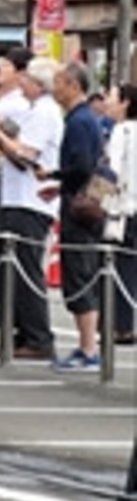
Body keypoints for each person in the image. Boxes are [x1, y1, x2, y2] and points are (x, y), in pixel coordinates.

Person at [0, 56, 60, 361]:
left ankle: (38, 336)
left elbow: (27, 155)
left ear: (38, 85)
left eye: (26, 79)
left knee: (25, 268)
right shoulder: (33, 111)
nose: (21, 83)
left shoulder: (45, 112)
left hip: (31, 200)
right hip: (16, 197)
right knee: (7, 268)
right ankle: (21, 332)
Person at [49, 61, 106, 371]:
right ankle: (87, 346)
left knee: (79, 276)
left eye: (59, 82)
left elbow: (83, 166)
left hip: (79, 210)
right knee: (80, 274)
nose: (54, 87)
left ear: (73, 86)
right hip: (80, 204)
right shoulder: (83, 119)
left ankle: (88, 349)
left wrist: (58, 176)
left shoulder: (79, 122)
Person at [100, 82, 137, 345]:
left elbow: (110, 172)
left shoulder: (121, 131)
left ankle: (119, 325)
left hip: (123, 208)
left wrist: (93, 200)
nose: (107, 102)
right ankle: (126, 323)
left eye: (112, 97)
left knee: (120, 266)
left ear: (125, 102)